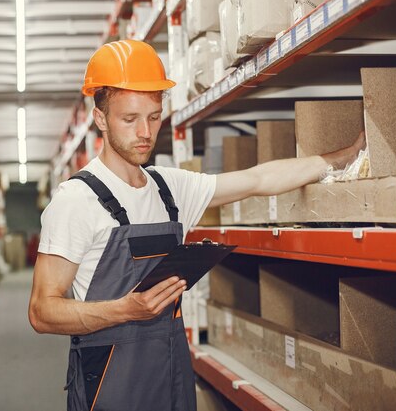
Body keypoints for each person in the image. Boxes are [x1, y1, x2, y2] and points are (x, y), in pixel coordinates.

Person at [28, 39, 364, 411]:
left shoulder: (169, 188)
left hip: (172, 375)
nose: (145, 132)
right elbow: (42, 311)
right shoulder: (76, 200)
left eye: (154, 117)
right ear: (101, 118)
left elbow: (257, 180)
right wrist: (125, 309)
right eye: (130, 119)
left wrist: (344, 157)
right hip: (111, 386)